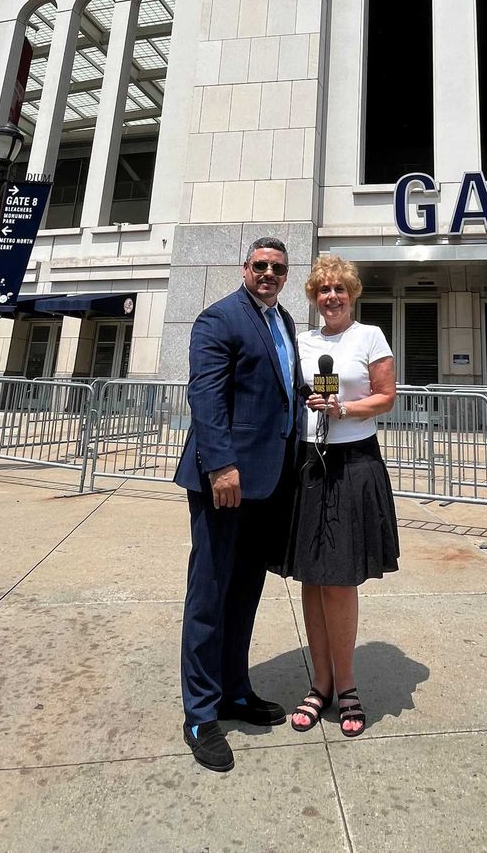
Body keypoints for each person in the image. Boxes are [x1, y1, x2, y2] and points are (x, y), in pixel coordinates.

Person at [174, 237, 302, 773]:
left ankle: (234, 691)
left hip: (268, 483)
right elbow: (205, 396)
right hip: (224, 481)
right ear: (244, 268)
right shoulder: (218, 319)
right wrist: (221, 464)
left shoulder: (285, 320)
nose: (269, 274)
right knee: (210, 594)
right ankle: (201, 713)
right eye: (261, 266)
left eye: (278, 268)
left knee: (245, 591)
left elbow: (283, 388)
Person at [276, 254, 398, 738]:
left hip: (353, 461)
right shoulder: (301, 341)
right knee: (311, 575)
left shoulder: (369, 337)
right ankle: (319, 683)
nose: (331, 297)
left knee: (340, 578)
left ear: (352, 294)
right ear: (314, 297)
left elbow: (386, 396)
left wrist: (344, 407)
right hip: (308, 462)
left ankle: (346, 686)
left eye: (339, 290)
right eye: (323, 290)